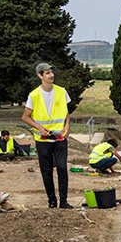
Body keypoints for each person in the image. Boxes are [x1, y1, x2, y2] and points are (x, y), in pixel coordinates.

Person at [21, 62, 72, 208]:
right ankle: (52, 201)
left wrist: (67, 125)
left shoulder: (62, 91)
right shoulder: (34, 95)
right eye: (47, 73)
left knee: (62, 168)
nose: (51, 75)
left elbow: (66, 111)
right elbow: (25, 117)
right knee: (47, 171)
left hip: (60, 137)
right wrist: (38, 127)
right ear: (40, 76)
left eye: (51, 72)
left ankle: (64, 201)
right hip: (42, 139)